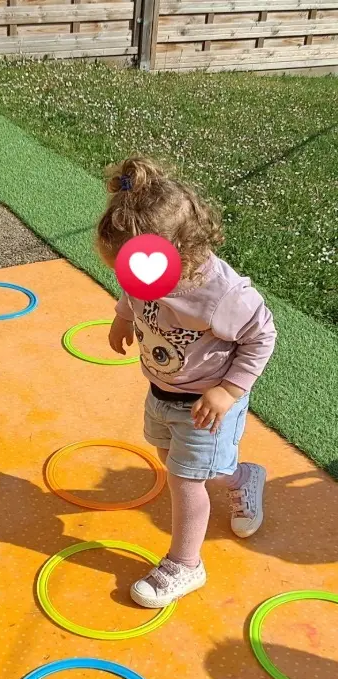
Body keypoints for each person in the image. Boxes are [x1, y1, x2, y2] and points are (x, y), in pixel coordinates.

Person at [97, 156, 276, 608]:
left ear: (186, 251)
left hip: (207, 403)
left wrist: (229, 390)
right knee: (173, 462)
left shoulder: (222, 295)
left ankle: (185, 565)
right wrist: (122, 316)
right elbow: (131, 291)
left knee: (184, 481)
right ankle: (242, 478)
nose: (133, 282)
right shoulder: (145, 268)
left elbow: (262, 336)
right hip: (162, 391)